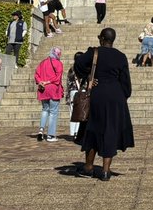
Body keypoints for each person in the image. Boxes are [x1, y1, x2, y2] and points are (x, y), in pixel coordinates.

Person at [75, 28, 134, 180]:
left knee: (93, 129)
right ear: (112, 40)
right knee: (111, 131)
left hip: (98, 94)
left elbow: (78, 63)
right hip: (116, 97)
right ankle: (106, 170)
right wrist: (122, 95)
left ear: (101, 38)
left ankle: (88, 167)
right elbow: (126, 82)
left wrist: (88, 76)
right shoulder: (121, 56)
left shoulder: (94, 52)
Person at [34, 46, 65, 142]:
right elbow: (57, 78)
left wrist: (41, 82)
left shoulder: (43, 63)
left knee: (45, 110)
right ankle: (51, 135)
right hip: (53, 89)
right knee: (53, 112)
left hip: (43, 90)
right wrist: (47, 82)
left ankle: (41, 130)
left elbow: (36, 75)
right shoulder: (58, 63)